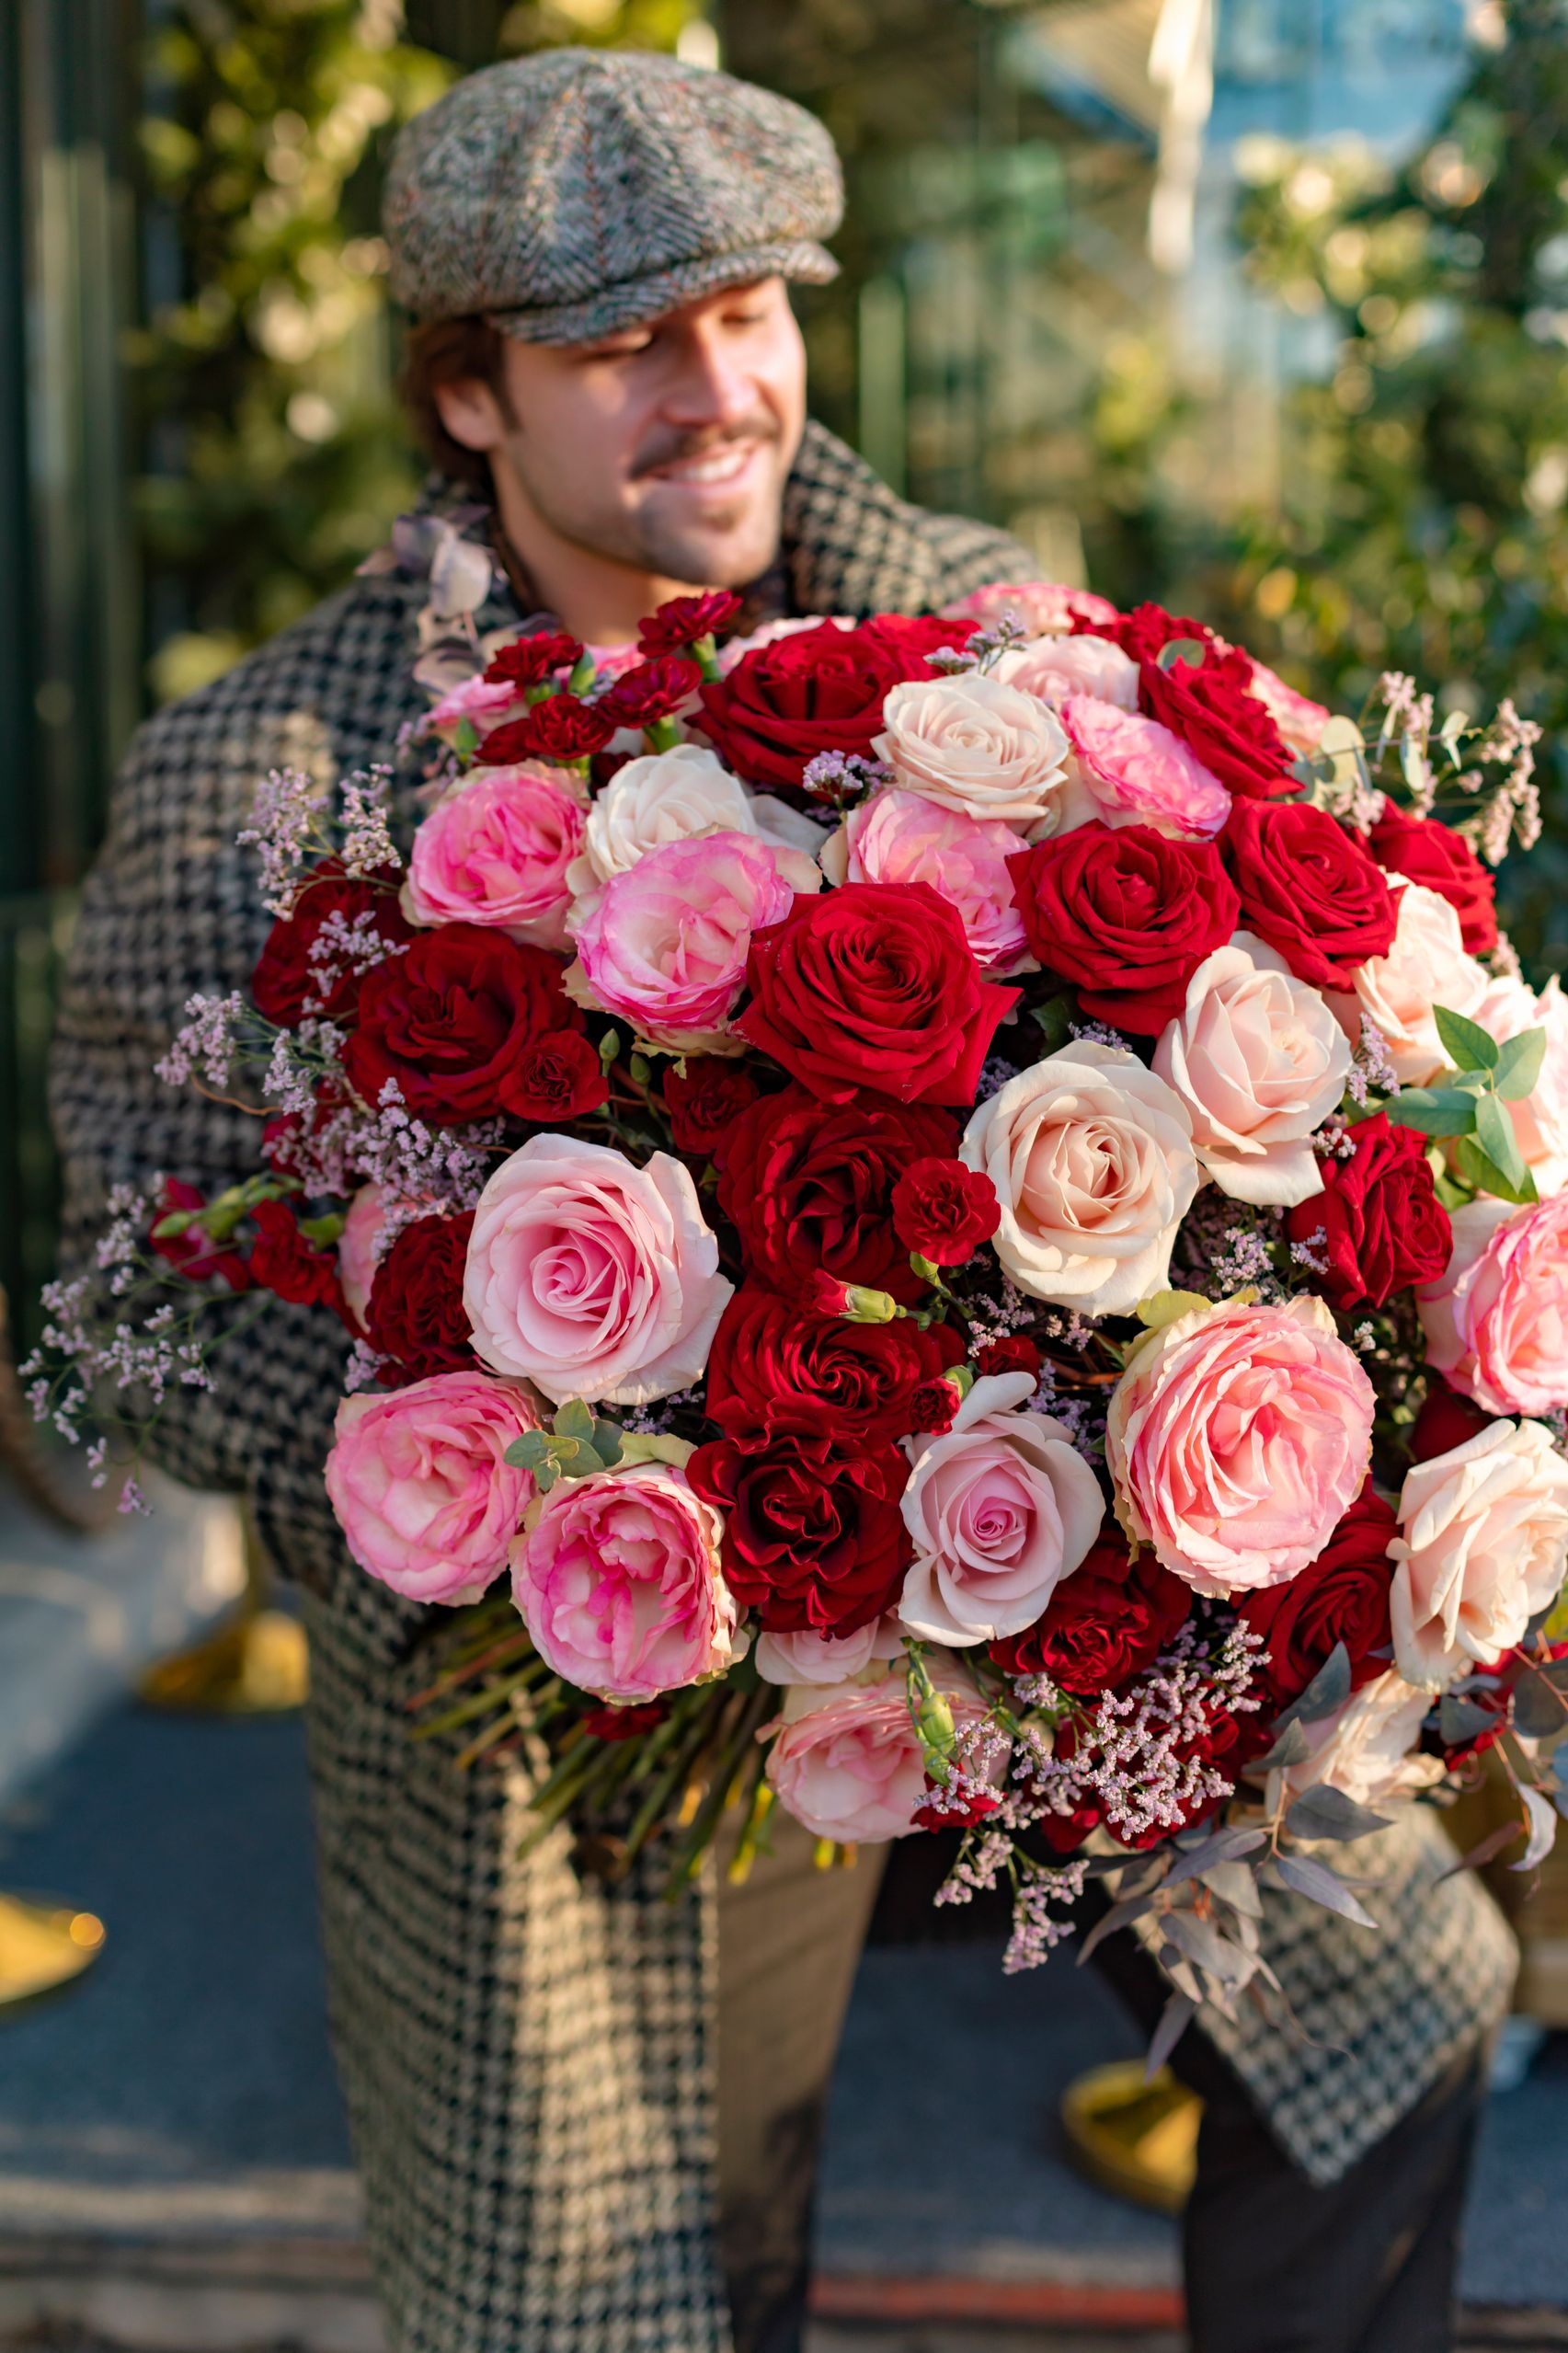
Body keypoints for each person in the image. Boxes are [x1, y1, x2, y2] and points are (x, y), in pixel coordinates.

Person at [52, 47, 1515, 2353]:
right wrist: (557, 1460)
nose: (718, 387)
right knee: (656, 2268)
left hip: (1052, 1601)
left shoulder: (971, 636)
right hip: (612, 1675)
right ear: (466, 396)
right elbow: (143, 1251)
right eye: (626, 342)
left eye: (752, 307)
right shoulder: (275, 767)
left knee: (1394, 2016)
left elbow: (1296, 977)